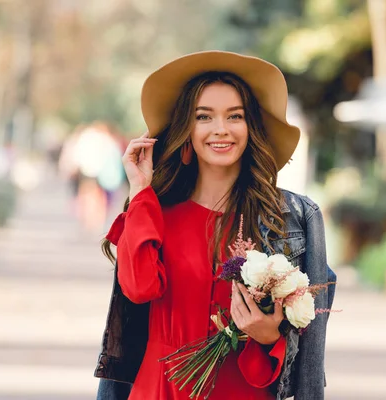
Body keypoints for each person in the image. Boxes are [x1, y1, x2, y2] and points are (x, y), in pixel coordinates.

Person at [94, 51, 336, 400]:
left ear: (250, 128)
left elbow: (311, 348)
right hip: (160, 389)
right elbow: (139, 287)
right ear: (187, 131)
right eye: (204, 116)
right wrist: (140, 190)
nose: (220, 129)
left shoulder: (291, 218)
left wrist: (269, 336)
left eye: (234, 116)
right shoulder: (155, 210)